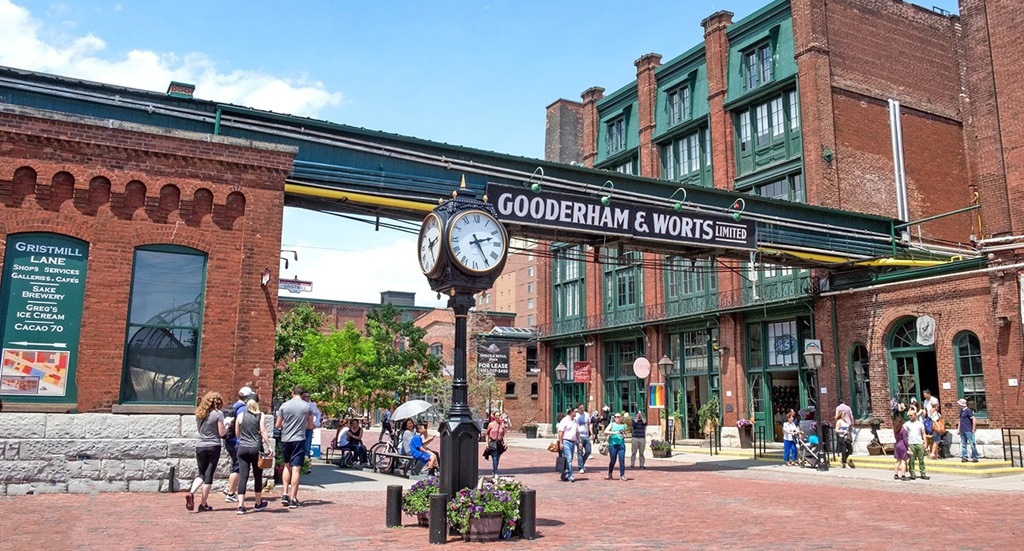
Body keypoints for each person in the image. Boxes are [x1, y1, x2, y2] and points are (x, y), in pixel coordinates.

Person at [185, 391, 226, 512]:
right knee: (209, 476)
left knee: (201, 474)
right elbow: (221, 433)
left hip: (200, 445)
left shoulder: (199, 414)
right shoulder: (218, 414)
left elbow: (199, 430)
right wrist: (228, 426)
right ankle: (203, 504)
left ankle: (191, 493)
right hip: (213, 446)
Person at [276, 385, 313, 509]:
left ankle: (285, 493)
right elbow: (310, 425)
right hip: (299, 439)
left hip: (286, 439)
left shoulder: (284, 406)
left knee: (287, 465)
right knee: (296, 468)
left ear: (292, 393)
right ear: (303, 395)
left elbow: (278, 425)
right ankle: (293, 498)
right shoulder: (307, 407)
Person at [235, 397, 272, 514]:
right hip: (255, 447)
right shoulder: (260, 415)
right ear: (257, 403)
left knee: (243, 477)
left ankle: (240, 506)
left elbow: (237, 433)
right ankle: (258, 502)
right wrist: (269, 446)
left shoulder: (240, 416)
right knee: (257, 476)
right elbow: (263, 431)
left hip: (242, 448)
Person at [222, 386, 252, 504]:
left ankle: (230, 487)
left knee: (234, 464)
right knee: (237, 467)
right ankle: (230, 494)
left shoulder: (233, 406)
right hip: (237, 441)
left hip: (229, 441)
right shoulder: (244, 409)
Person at [905, 408, 929, 480]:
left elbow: (923, 433)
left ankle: (923, 473)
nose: (910, 417)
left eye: (911, 415)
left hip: (919, 442)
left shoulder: (920, 424)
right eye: (909, 415)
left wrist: (925, 442)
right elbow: (905, 435)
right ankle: (912, 473)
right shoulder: (906, 424)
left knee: (921, 459)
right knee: (911, 459)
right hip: (911, 443)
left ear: (915, 415)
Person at [301, 391, 322, 467]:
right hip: (300, 428)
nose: (307, 398)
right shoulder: (300, 404)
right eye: (305, 396)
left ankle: (307, 465)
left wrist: (316, 424)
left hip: (308, 428)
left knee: (307, 446)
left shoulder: (311, 405)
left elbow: (318, 414)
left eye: (308, 396)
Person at [557, 408, 579, 482]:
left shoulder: (575, 421)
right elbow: (560, 432)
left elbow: (577, 432)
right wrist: (561, 443)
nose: (576, 413)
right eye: (575, 412)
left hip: (573, 442)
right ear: (571, 412)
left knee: (569, 459)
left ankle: (564, 474)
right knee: (569, 459)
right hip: (566, 441)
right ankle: (570, 476)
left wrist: (580, 442)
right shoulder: (564, 421)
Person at [605, 412, 628, 481]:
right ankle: (610, 473)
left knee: (622, 460)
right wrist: (614, 433)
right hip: (613, 445)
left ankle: (622, 475)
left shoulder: (624, 425)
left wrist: (623, 435)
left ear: (620, 418)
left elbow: (625, 435)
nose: (616, 418)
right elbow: (606, 431)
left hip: (621, 445)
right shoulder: (612, 424)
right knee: (613, 460)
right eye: (615, 417)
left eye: (618, 417)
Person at [484, 414, 507, 478]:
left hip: (500, 443)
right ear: (494, 416)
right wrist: (487, 443)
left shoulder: (502, 425)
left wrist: (505, 442)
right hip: (493, 442)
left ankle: (494, 471)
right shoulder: (491, 424)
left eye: (499, 415)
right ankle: (496, 472)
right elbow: (487, 434)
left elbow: (504, 434)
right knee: (495, 458)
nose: (498, 417)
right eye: (496, 415)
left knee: (497, 458)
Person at [958, 398, 979, 463]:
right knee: (963, 445)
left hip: (969, 430)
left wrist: (973, 428)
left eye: (959, 404)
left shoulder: (968, 410)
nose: (958, 405)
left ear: (962, 404)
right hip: (962, 430)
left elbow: (974, 419)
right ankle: (964, 457)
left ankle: (975, 457)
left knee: (972, 444)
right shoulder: (962, 411)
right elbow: (960, 421)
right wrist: (958, 429)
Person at [575, 404, 592, 473]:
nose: (582, 409)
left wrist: (592, 433)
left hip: (586, 435)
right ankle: (580, 467)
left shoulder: (587, 415)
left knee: (588, 451)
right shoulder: (576, 416)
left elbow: (589, 424)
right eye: (581, 408)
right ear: (578, 409)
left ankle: (582, 463)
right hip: (579, 436)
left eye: (583, 407)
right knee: (580, 452)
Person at [893, 416, 909, 481]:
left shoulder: (895, 430)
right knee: (904, 461)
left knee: (897, 461)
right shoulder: (903, 430)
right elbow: (905, 440)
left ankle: (896, 474)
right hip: (902, 445)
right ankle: (903, 475)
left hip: (897, 445)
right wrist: (908, 447)